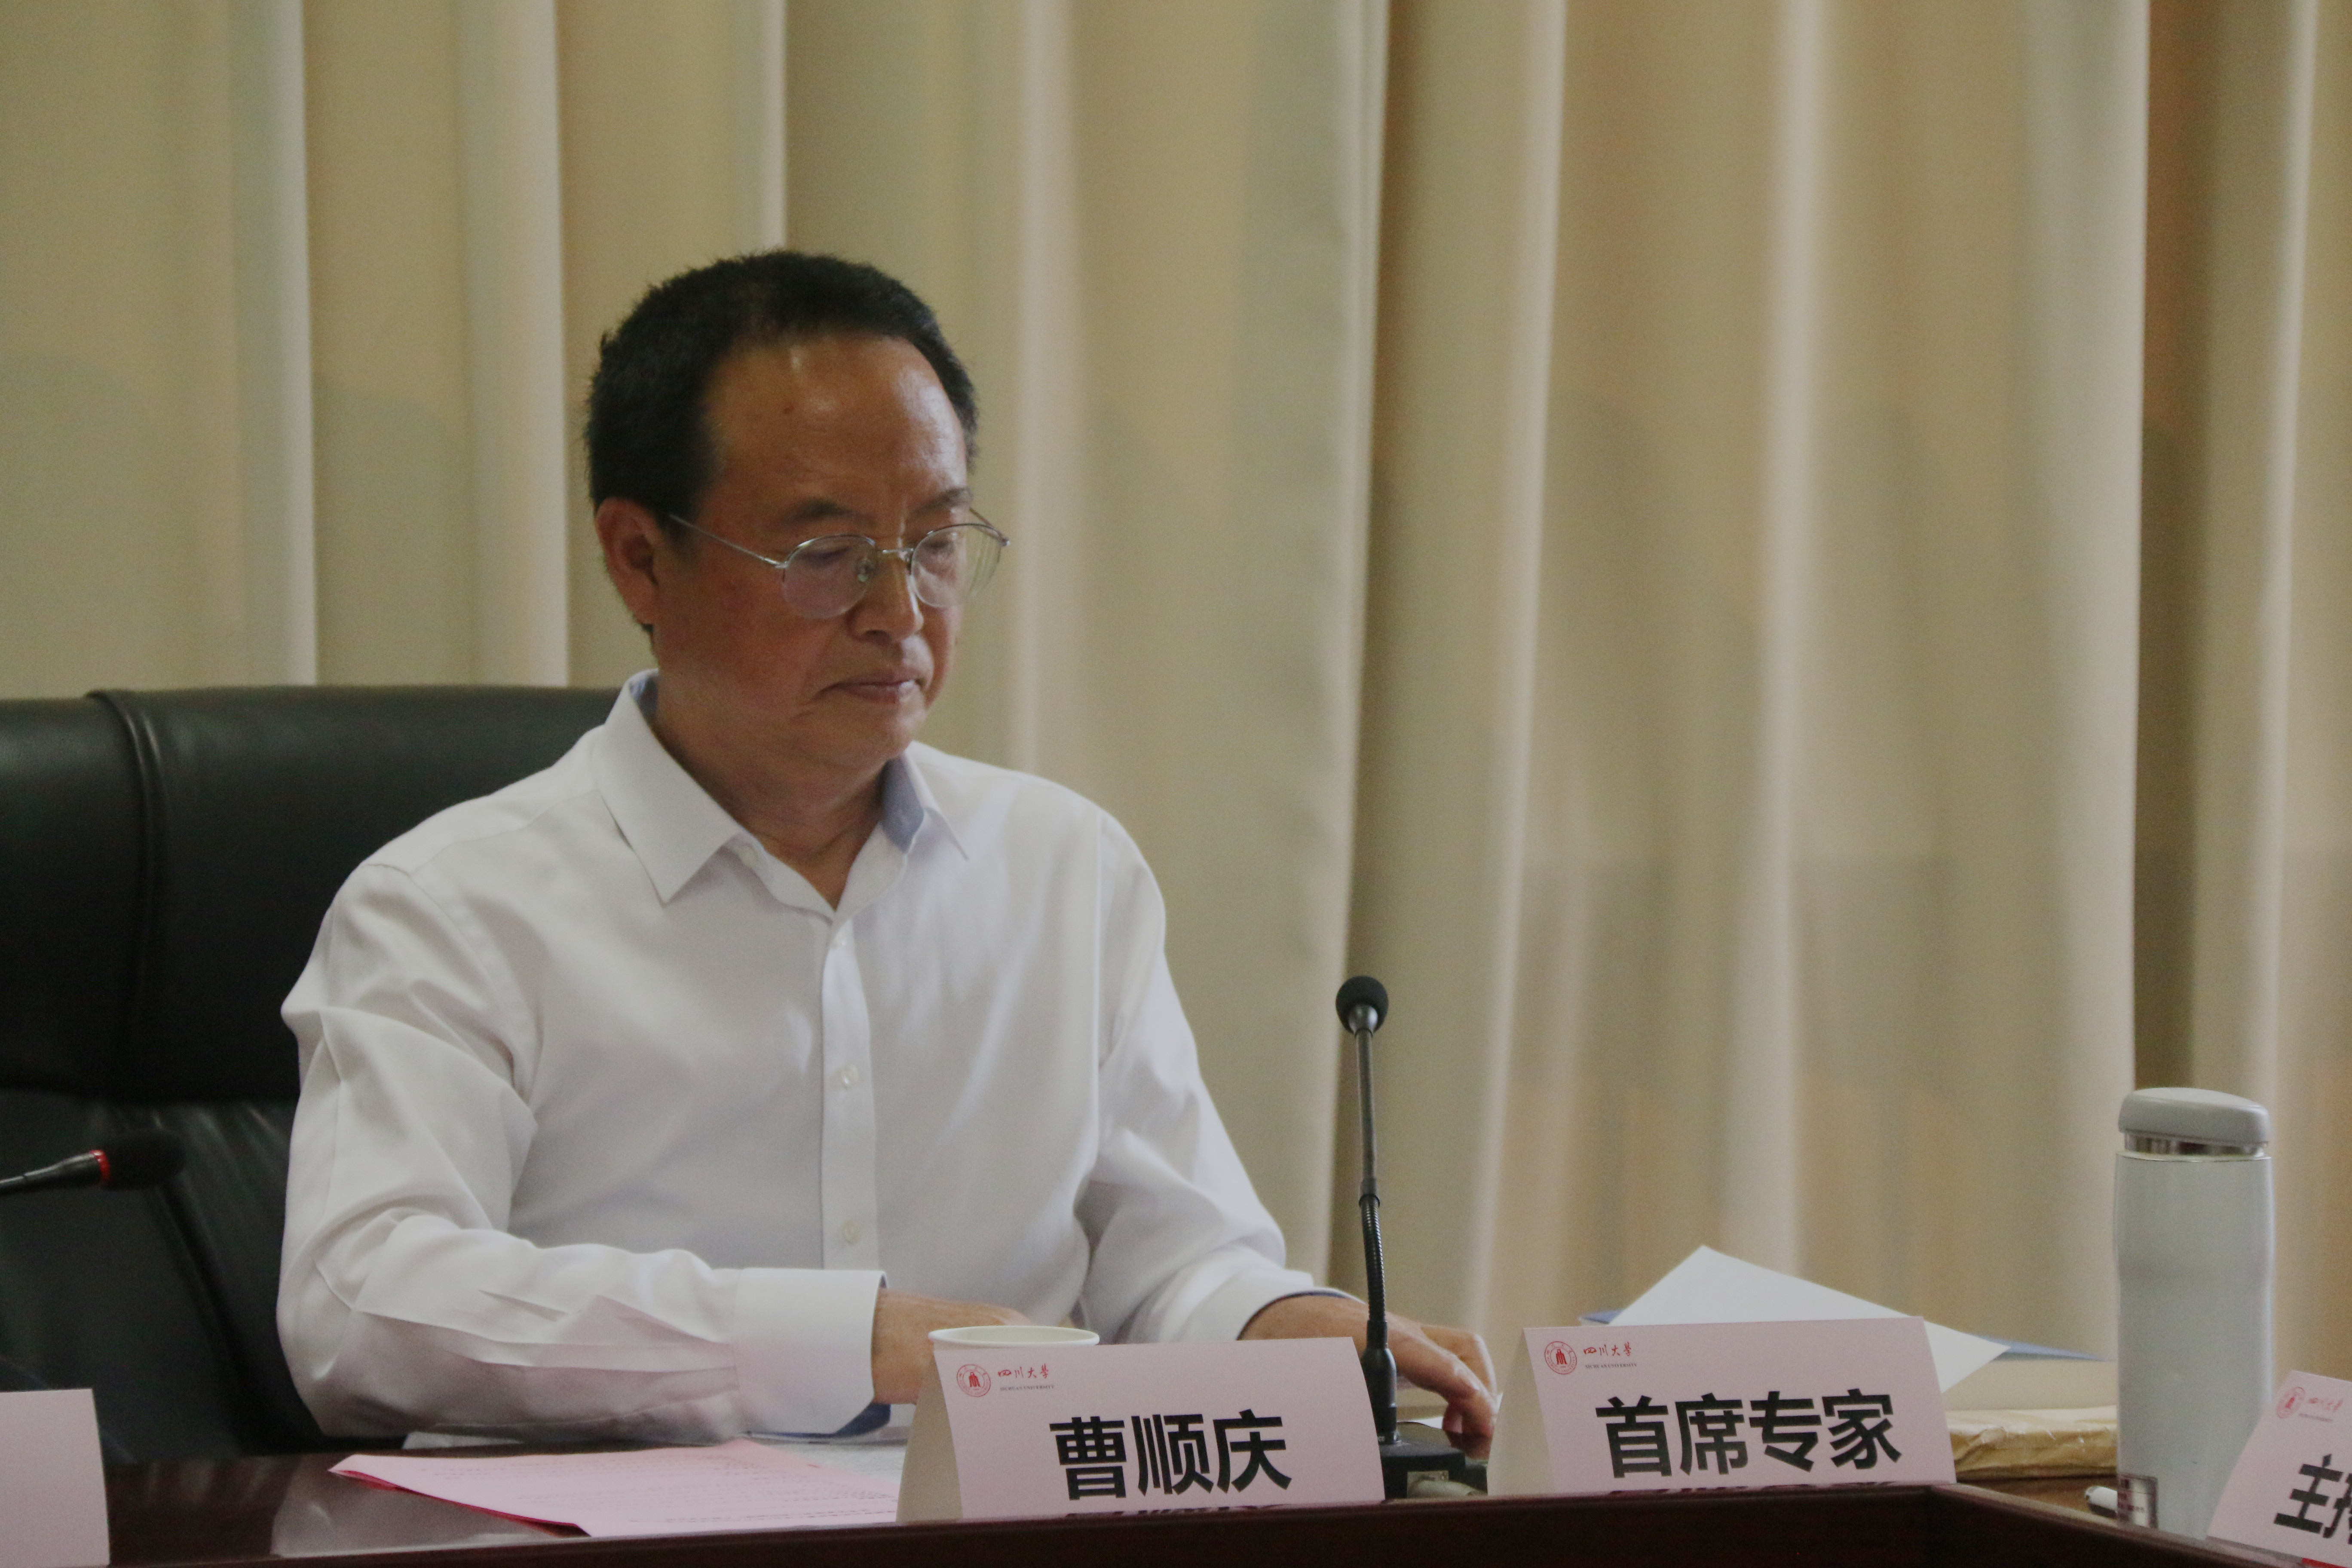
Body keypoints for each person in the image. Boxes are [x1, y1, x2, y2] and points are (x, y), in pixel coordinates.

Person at [276, 251, 1494, 1450]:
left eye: (938, 544)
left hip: (996, 1532)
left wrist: (1287, 1325)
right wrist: (844, 1344)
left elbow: (1172, 1261)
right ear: (639, 557)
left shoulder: (1064, 868)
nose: (901, 613)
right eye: (828, 557)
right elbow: (365, 1306)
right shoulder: (452, 908)